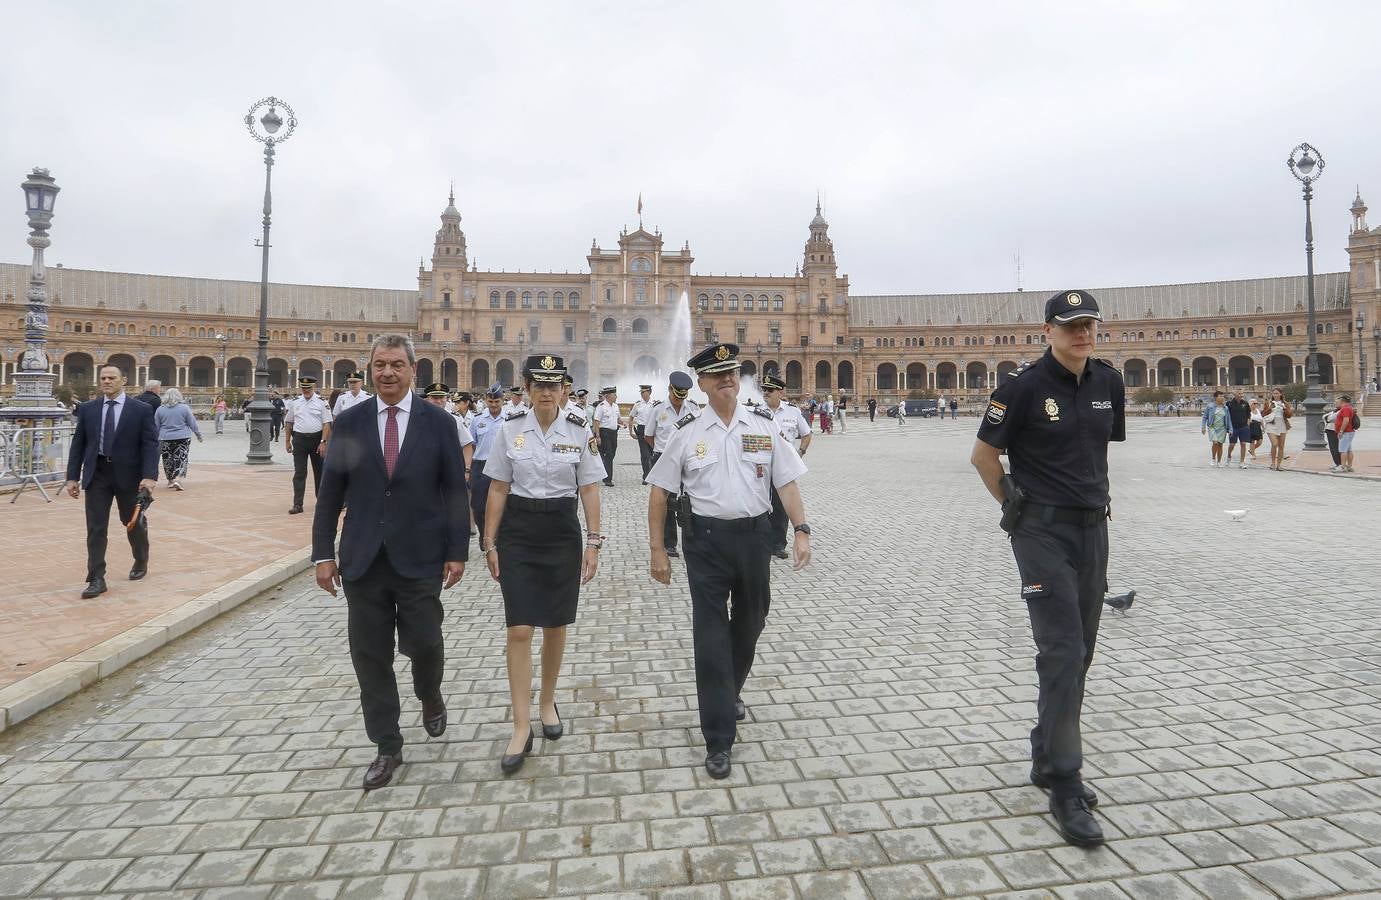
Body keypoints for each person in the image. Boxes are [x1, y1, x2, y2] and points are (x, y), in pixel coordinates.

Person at [970, 289, 1125, 848]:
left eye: (1088, 325)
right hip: (1041, 532)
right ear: (1048, 331)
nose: (1082, 333)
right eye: (1070, 325)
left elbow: (1099, 453)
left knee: (1081, 649)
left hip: (1093, 528)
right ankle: (1065, 782)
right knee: (1060, 651)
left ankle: (1045, 754)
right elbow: (984, 455)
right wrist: (1013, 506)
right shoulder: (1022, 388)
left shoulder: (1109, 383)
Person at [312, 334, 469, 791]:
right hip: (362, 558)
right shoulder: (349, 422)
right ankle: (387, 744)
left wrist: (457, 551)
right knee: (370, 656)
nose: (387, 373)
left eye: (396, 365)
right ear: (370, 369)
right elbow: (330, 493)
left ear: (413, 371)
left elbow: (455, 492)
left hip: (421, 555)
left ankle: (430, 693)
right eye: (380, 365)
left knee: (425, 642)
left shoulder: (438, 423)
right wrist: (323, 553)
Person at [646, 343, 811, 780]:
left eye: (732, 373)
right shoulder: (686, 432)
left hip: (755, 539)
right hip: (705, 542)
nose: (727, 380)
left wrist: (801, 529)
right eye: (717, 374)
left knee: (753, 619)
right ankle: (718, 737)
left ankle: (730, 687)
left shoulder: (763, 425)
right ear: (701, 383)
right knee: (711, 635)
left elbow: (787, 482)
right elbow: (659, 492)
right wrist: (657, 551)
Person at [481, 354, 605, 775]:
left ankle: (547, 701)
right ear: (528, 388)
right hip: (518, 529)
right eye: (539, 384)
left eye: (555, 384)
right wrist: (489, 541)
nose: (547, 391)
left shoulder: (579, 429)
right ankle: (520, 725)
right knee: (519, 627)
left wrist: (594, 543)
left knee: (555, 623)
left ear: (565, 389)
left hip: (560, 531)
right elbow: (498, 487)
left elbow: (589, 487)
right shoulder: (510, 429)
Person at [64, 365, 159, 599]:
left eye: (111, 378)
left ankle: (140, 558)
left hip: (129, 475)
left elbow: (150, 445)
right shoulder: (88, 409)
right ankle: (96, 577)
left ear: (123, 380)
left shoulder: (141, 410)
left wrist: (149, 476)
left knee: (132, 522)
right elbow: (79, 445)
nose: (106, 381)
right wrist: (72, 477)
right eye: (103, 378)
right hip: (98, 473)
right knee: (96, 527)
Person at [644, 371, 699, 558]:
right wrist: (665, 452)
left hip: (688, 460)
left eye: (682, 396)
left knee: (691, 499)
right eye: (676, 395)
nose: (678, 400)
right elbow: (648, 435)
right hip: (663, 459)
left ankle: (692, 540)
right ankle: (669, 543)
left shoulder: (692, 408)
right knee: (666, 502)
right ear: (669, 389)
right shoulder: (658, 409)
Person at [761, 373, 811, 560]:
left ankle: (778, 544)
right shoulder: (755, 411)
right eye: (764, 390)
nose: (765, 393)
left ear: (780, 392)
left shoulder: (793, 411)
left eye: (769, 390)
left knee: (781, 507)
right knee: (761, 504)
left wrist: (800, 453)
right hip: (762, 465)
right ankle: (763, 543)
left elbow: (806, 434)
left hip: (784, 466)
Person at [285, 376, 333, 515]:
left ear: (314, 388)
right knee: (299, 473)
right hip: (299, 440)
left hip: (317, 440)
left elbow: (327, 424)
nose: (306, 390)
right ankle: (297, 504)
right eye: (304, 388)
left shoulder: (321, 402)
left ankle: (322, 502)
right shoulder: (295, 402)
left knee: (320, 473)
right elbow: (289, 422)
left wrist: (323, 442)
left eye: (309, 388)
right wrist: (287, 441)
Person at [469, 384, 507, 540]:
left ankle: (497, 537)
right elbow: (472, 444)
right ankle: (484, 534)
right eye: (490, 402)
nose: (493, 405)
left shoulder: (509, 420)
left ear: (502, 401)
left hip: (502, 465)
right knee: (478, 506)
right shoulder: (477, 420)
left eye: (497, 401)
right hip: (480, 466)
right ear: (485, 400)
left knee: (502, 504)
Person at [153, 387, 203, 490]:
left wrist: (155, 438)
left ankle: (170, 481)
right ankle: (178, 479)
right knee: (181, 457)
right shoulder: (184, 408)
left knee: (167, 458)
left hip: (165, 437)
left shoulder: (160, 409)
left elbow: (156, 426)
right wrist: (198, 434)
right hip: (182, 437)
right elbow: (192, 422)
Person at [423, 382, 476, 473]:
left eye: (442, 398)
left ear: (447, 398)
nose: (439, 401)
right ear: (428, 398)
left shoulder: (455, 419)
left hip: (449, 470)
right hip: (424, 470)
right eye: (435, 398)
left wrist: (466, 470)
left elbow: (467, 444)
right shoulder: (419, 418)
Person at [594, 386, 620, 486]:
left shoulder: (615, 406)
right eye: (614, 395)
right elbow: (596, 421)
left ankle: (604, 470)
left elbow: (618, 419)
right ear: (608, 396)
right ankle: (607, 479)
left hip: (614, 433)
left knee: (612, 453)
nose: (616, 396)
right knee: (609, 454)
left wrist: (622, 423)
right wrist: (597, 436)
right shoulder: (601, 406)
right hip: (604, 432)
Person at [630, 384, 655, 482]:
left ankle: (653, 474)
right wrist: (631, 431)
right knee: (645, 455)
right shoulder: (638, 404)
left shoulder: (655, 404)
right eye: (641, 392)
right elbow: (631, 417)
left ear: (649, 392)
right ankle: (646, 476)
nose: (642, 394)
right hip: (641, 430)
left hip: (652, 430)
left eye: (643, 392)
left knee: (653, 454)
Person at [1262, 388, 1290, 471]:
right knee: (1274, 444)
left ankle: (1279, 465)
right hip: (1271, 424)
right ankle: (1273, 463)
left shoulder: (1285, 403)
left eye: (1277, 393)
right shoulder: (1269, 403)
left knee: (1281, 446)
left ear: (1280, 394)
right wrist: (1270, 408)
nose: (1275, 395)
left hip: (1282, 424)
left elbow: (1289, 415)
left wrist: (1284, 408)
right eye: (1274, 393)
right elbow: (1263, 413)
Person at [1201, 391, 1230, 467]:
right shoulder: (1210, 406)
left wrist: (1230, 429)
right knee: (1215, 442)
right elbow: (1204, 417)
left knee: (1220, 444)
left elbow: (1228, 419)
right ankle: (1213, 458)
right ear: (1215, 398)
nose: (1222, 398)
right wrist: (1203, 427)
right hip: (1212, 427)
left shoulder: (1225, 408)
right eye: (1220, 396)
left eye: (1223, 396)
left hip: (1222, 428)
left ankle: (1219, 461)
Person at [1225, 387, 1252, 469]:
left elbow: (1248, 414)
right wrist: (1228, 427)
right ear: (1234, 394)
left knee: (1243, 444)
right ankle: (1229, 456)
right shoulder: (1229, 404)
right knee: (1232, 444)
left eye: (1242, 393)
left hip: (1244, 427)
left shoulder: (1245, 403)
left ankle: (1242, 462)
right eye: (1239, 394)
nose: (1241, 395)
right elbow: (1226, 416)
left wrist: (1248, 423)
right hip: (1233, 427)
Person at [1335, 393, 1358, 473]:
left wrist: (1341, 431)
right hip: (1349, 431)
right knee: (1349, 450)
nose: (1338, 402)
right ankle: (1349, 466)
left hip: (1346, 432)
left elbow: (1346, 420)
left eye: (1339, 400)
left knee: (1343, 450)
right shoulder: (1350, 408)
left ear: (1342, 400)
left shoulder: (1345, 409)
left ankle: (1342, 466)